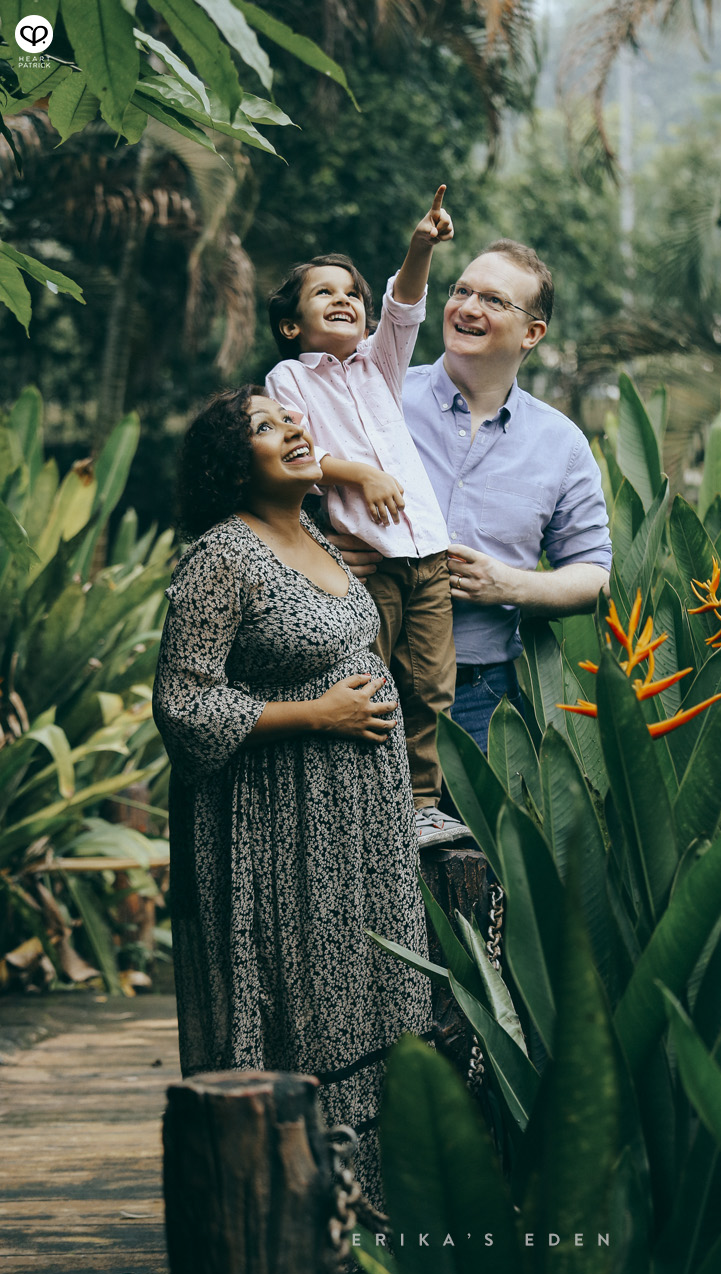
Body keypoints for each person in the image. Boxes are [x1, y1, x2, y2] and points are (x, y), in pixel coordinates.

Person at [152, 386, 431, 1201]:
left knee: (374, 994)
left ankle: (373, 1207)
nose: (293, 430)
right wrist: (317, 715)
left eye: (290, 418)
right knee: (305, 1004)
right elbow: (184, 707)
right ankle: (297, 1212)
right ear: (233, 467)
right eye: (266, 429)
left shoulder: (311, 531)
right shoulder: (222, 558)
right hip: (280, 827)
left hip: (359, 824)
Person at [333, 239, 613, 753]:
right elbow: (289, 490)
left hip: (481, 695)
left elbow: (595, 575)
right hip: (356, 681)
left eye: (493, 300)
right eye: (461, 290)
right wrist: (324, 545)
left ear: (532, 333)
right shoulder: (377, 399)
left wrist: (509, 585)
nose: (467, 307)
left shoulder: (562, 444)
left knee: (472, 836)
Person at [264, 187, 467, 847]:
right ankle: (368, 807)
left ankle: (419, 806)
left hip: (426, 553)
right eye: (323, 293)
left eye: (351, 291)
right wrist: (359, 472)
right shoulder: (290, 379)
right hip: (365, 559)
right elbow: (295, 453)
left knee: (431, 684)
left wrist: (421, 246)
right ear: (292, 325)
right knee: (370, 683)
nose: (344, 299)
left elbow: (402, 306)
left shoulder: (380, 366)